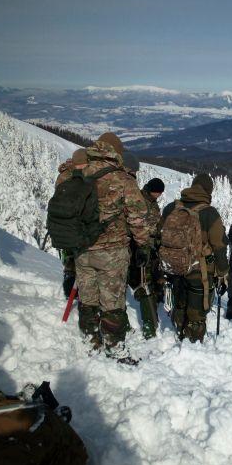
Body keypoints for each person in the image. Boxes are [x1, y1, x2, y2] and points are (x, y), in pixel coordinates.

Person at [75, 132, 151, 359]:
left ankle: (91, 342)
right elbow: (137, 218)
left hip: (82, 250)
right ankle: (115, 347)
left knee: (87, 298)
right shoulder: (122, 179)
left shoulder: (78, 174)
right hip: (112, 252)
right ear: (116, 152)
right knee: (112, 302)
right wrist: (143, 246)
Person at [160, 173, 228, 343]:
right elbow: (219, 246)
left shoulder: (171, 207)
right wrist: (223, 273)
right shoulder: (209, 213)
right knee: (197, 312)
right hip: (200, 271)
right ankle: (193, 344)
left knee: (180, 302)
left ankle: (179, 332)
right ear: (208, 191)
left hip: (174, 266)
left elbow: (159, 234)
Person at [128, 177, 165, 338]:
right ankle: (150, 322)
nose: (158, 195)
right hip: (140, 246)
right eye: (157, 192)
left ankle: (153, 306)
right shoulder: (140, 200)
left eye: (160, 193)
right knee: (145, 281)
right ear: (151, 189)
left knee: (151, 277)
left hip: (151, 246)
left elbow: (156, 224)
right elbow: (137, 225)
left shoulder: (153, 203)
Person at [54, 148, 88, 298]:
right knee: (76, 260)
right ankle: (74, 292)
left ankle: (71, 290)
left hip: (65, 224)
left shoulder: (64, 175)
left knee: (70, 260)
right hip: (75, 223)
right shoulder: (75, 176)